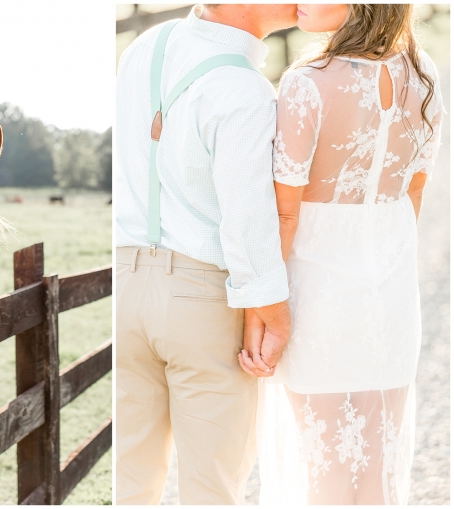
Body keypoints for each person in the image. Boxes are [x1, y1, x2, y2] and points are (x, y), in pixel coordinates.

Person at [238, 4, 444, 505]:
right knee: (376, 470)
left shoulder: (306, 83)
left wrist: (258, 315)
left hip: (318, 300)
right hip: (391, 302)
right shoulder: (424, 75)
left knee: (322, 470)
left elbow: (284, 218)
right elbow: (412, 197)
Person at [115, 4, 298, 504]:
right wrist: (274, 315)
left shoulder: (143, 48)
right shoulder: (245, 91)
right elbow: (247, 223)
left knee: (129, 485)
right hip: (202, 300)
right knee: (211, 491)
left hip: (124, 287)